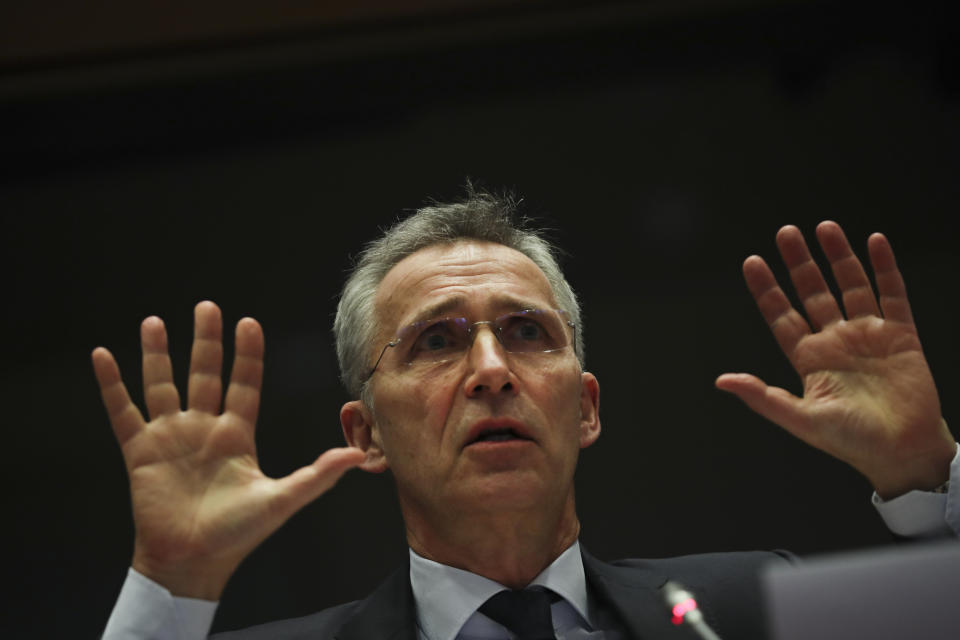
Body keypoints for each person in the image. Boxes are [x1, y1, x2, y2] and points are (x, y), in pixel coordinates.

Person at [98, 188, 959, 639]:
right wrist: (168, 584)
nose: (489, 370)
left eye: (526, 333)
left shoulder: (748, 610)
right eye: (435, 341)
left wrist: (929, 479)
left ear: (585, 407)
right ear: (364, 435)